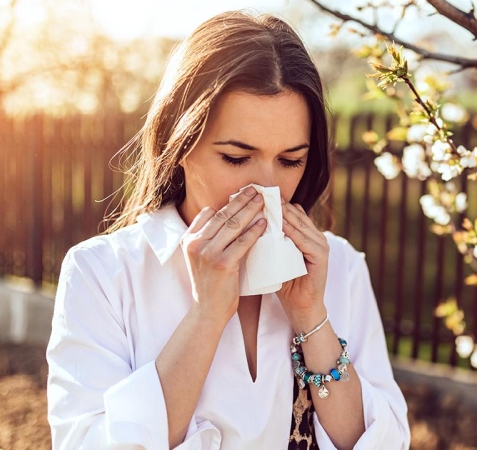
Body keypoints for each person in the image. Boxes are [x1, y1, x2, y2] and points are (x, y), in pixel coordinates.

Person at [45, 10, 410, 450]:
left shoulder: (342, 268)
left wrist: (312, 317)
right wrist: (206, 317)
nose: (267, 187)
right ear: (175, 145)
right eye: (237, 158)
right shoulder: (102, 274)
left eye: (291, 160)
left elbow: (383, 442)